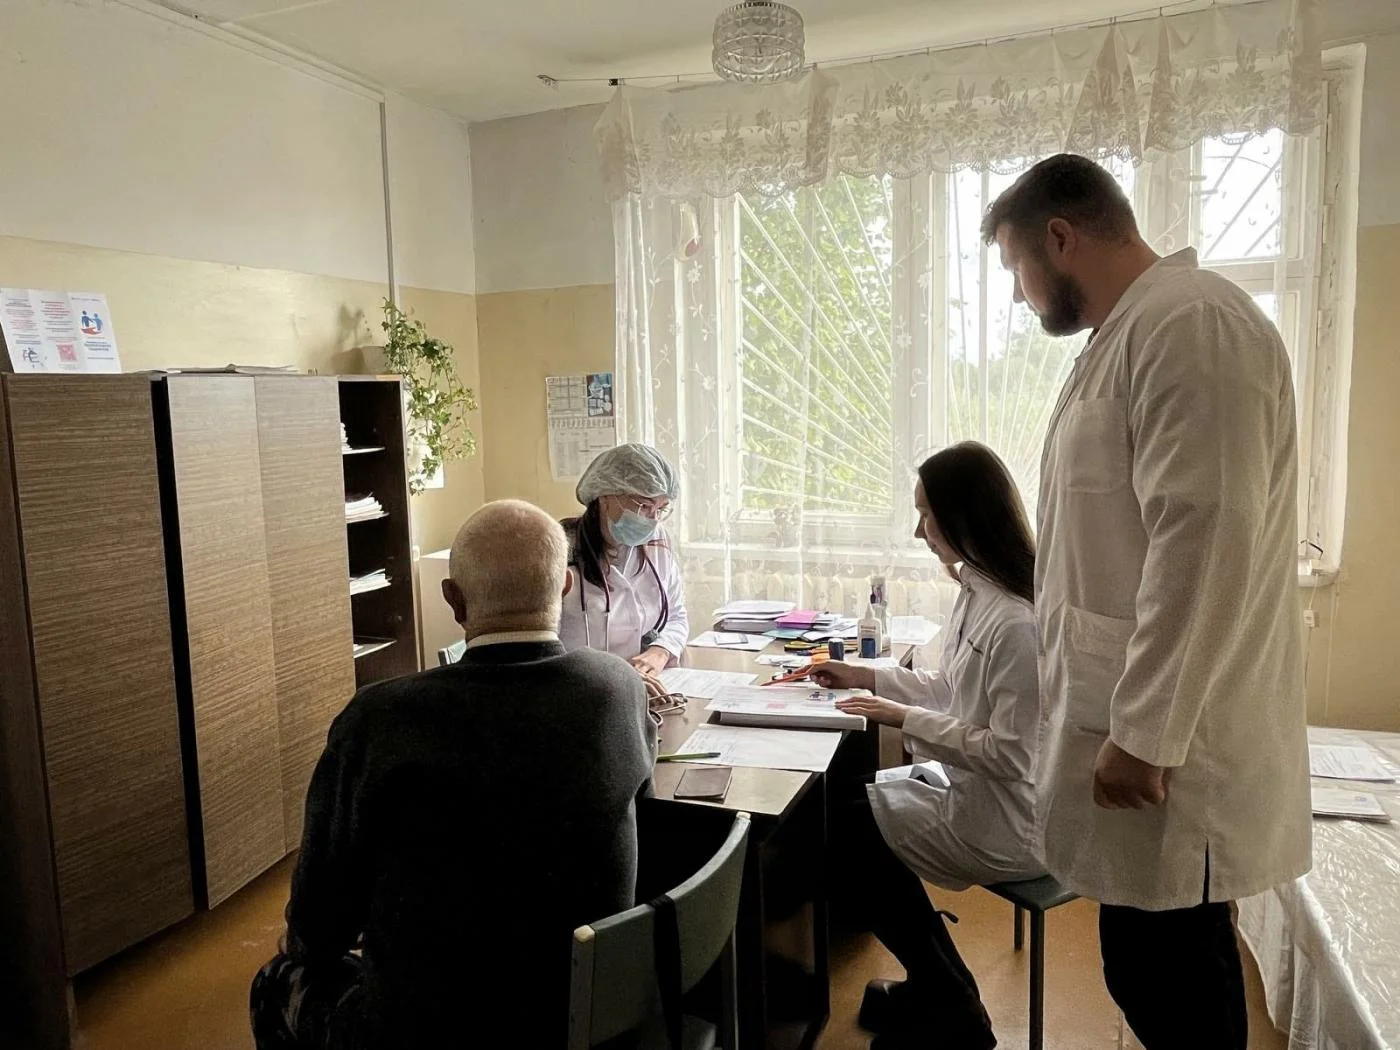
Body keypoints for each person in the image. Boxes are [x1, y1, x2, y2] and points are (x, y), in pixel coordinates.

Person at [981, 153, 1309, 1049]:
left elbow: (1207, 536)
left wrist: (1146, 733)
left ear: (1060, 238)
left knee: (1175, 982)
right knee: (1146, 966)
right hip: (1125, 721)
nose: (1018, 293)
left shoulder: (1194, 323)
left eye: (1016, 266)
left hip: (1173, 752)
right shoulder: (1125, 336)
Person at [249, 500, 657, 1050]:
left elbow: (320, 925)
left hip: (429, 1029)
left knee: (275, 982)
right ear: (564, 587)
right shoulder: (620, 689)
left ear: (453, 598)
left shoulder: (378, 719)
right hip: (583, 1013)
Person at [812, 442, 1041, 1049]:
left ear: (963, 516)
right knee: (845, 816)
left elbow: (1013, 756)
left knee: (845, 837)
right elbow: (949, 688)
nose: (918, 532)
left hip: (1012, 821)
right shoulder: (978, 589)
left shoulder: (1017, 622)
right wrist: (866, 676)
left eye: (926, 515)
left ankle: (951, 1002)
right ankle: (942, 989)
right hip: (975, 792)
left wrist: (902, 717)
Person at [559, 443, 689, 678]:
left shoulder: (657, 543)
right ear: (605, 496)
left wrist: (661, 650)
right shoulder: (560, 551)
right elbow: (540, 643)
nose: (652, 520)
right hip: (580, 686)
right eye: (644, 506)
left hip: (641, 683)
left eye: (661, 509)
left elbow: (676, 615)